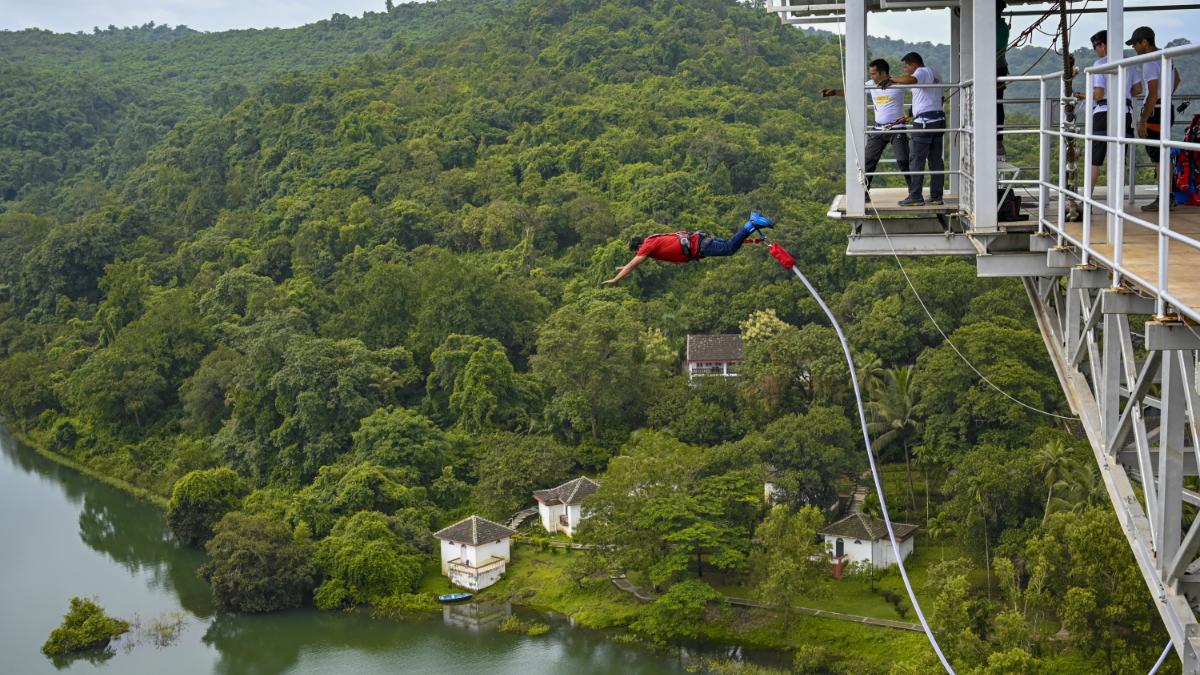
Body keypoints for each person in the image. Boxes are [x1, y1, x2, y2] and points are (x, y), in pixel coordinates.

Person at [821, 58, 912, 202]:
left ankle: (914, 193)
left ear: (883, 73)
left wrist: (894, 81)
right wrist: (834, 92)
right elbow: (853, 91)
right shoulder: (871, 84)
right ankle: (863, 194)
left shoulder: (898, 83)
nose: (872, 77)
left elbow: (914, 84)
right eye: (871, 74)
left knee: (904, 161)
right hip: (878, 128)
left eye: (874, 74)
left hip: (897, 128)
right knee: (868, 160)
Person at [602, 212, 774, 285]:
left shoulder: (648, 245)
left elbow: (634, 264)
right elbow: (632, 264)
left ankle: (751, 223)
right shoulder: (653, 242)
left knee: (729, 248)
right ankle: (752, 226)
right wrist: (624, 267)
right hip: (700, 241)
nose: (638, 255)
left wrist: (617, 278)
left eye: (637, 252)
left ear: (639, 246)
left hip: (700, 245)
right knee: (731, 247)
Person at [1075, 30, 1142, 198]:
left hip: (1103, 113)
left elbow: (1098, 94)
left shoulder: (1100, 64)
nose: (1095, 50)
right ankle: (1117, 200)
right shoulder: (1129, 63)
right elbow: (1138, 89)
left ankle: (1087, 199)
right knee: (1119, 159)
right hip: (1124, 113)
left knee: (1094, 159)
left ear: (1102, 45)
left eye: (1095, 46)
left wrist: (1082, 95)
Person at [1127, 26, 1183, 212]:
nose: (1134, 48)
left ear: (1145, 42)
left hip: (1156, 112)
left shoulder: (1150, 61)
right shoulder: (1166, 56)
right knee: (1163, 153)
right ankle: (1169, 195)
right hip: (1166, 108)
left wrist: (1143, 120)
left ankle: (1164, 198)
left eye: (1135, 44)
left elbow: (1151, 93)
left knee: (1158, 156)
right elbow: (1177, 80)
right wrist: (1166, 97)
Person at [887, 52, 945, 207]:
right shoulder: (935, 74)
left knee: (916, 160)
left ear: (913, 64)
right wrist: (911, 113)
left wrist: (891, 79)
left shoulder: (921, 72)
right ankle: (936, 196)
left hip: (924, 123)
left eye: (906, 66)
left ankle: (915, 196)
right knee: (935, 160)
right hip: (938, 120)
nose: (906, 70)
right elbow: (937, 99)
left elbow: (911, 79)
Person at [997, 1, 1010, 159]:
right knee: (997, 104)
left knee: (996, 105)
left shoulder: (996, 26)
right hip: (1000, 68)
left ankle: (997, 140)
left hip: (995, 68)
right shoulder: (1002, 26)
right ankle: (998, 140)